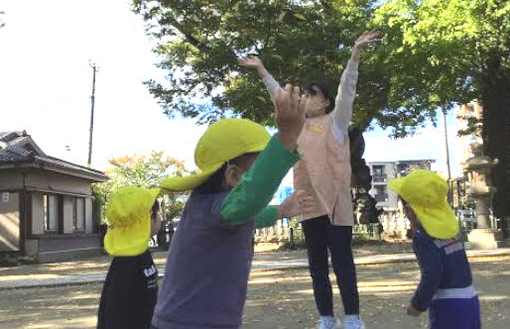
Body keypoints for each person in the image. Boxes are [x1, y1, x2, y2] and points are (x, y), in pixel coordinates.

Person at [239, 30, 379, 329]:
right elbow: (279, 95)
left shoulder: (337, 122)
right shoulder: (295, 125)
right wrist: (262, 69)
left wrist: (355, 54)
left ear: (325, 102)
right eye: (303, 94)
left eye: (310, 94)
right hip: (307, 203)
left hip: (336, 205)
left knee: (343, 263)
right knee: (316, 266)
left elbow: (347, 91)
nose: (303, 97)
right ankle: (327, 317)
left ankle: (353, 317)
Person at [150, 84, 315, 329]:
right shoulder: (215, 208)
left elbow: (253, 216)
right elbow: (250, 197)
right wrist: (287, 136)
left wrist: (281, 211)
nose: (263, 178)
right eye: (258, 168)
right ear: (234, 176)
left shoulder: (215, 210)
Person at [388, 170, 481, 329]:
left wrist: (417, 304)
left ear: (409, 210)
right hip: (470, 300)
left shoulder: (423, 238)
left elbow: (432, 274)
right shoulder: (451, 229)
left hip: (448, 305)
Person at [97, 187, 162, 329]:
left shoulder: (140, 251)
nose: (160, 217)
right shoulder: (128, 259)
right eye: (158, 213)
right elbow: (116, 310)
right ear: (148, 217)